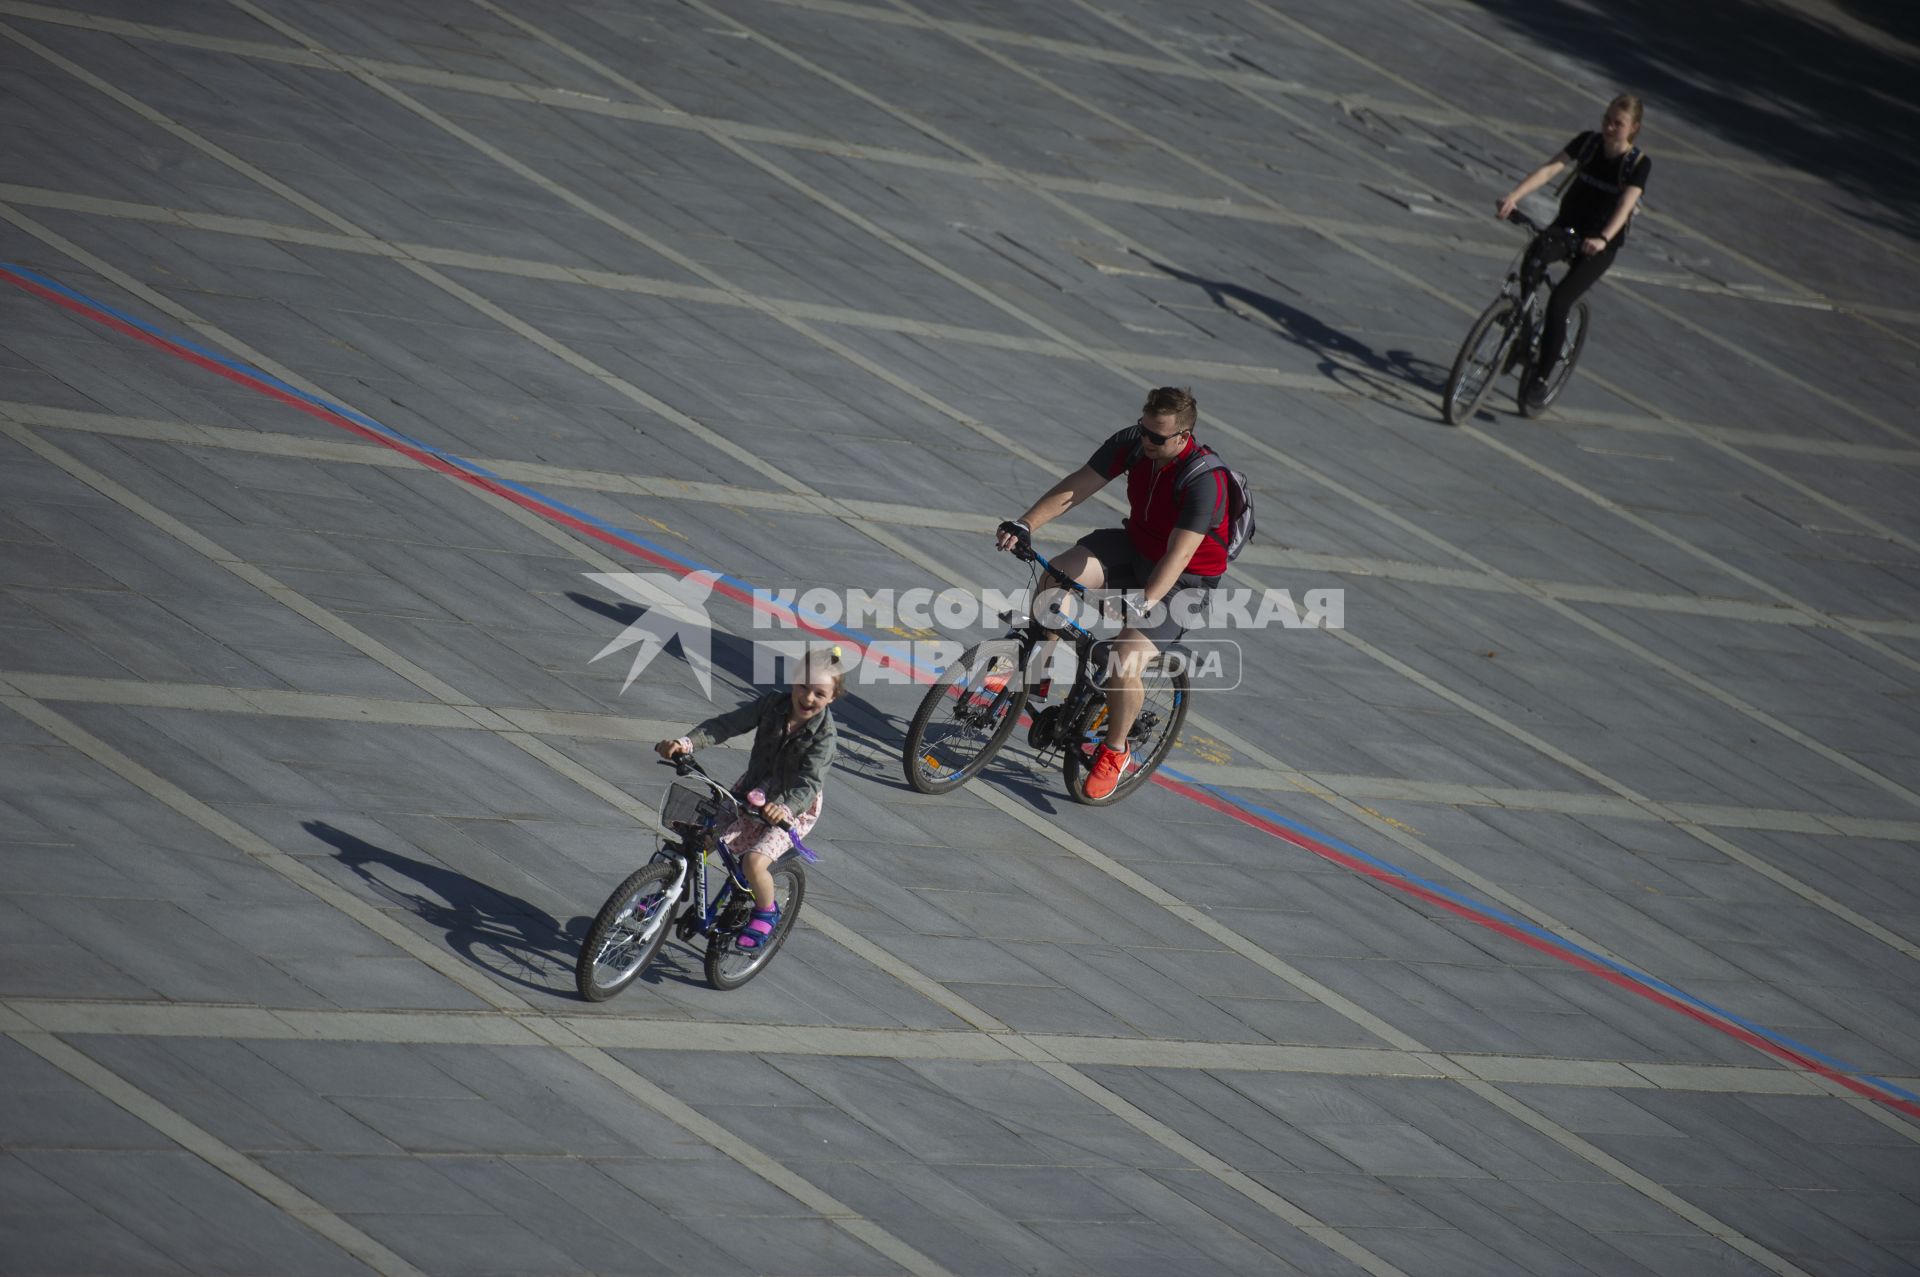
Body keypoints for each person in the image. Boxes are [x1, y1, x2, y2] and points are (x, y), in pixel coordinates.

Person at [994, 386, 1229, 800]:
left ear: (1183, 436)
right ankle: (1038, 671)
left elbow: (1180, 554)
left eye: (1158, 438)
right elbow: (1078, 485)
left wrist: (1144, 600)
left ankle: (1115, 751)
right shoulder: (1134, 444)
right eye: (1144, 430)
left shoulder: (1205, 482)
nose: (1147, 442)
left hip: (1183, 579)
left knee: (1123, 660)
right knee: (1056, 576)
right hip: (1135, 547)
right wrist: (1026, 523)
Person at [657, 647, 842, 949]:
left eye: (819, 694)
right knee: (701, 836)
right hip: (754, 788)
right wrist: (686, 743)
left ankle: (766, 912)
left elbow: (809, 782)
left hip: (793, 806)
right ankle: (662, 890)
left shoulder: (824, 738)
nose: (808, 698)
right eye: (804, 687)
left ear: (832, 698)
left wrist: (785, 809)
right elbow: (726, 725)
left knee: (754, 863)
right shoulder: (772, 705)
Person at [1495, 94, 1650, 405]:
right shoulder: (1588, 143)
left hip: (1600, 245)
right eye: (1607, 119)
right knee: (1533, 258)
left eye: (1617, 124)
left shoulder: (1638, 164)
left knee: (1560, 301)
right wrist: (1515, 196)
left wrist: (1604, 238)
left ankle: (1541, 377)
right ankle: (1523, 331)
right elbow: (1550, 169)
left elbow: (1625, 205)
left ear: (1633, 128)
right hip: (1568, 227)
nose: (1608, 127)